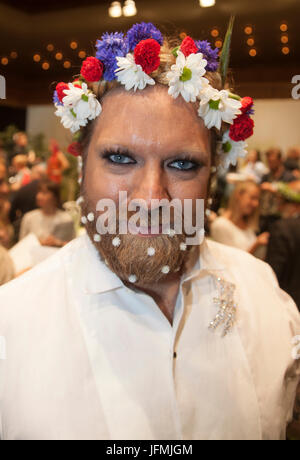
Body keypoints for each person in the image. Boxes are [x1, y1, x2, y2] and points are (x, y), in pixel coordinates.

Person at [0, 24, 299, 441]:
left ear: (213, 175)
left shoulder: (266, 297)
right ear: (82, 166)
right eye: (120, 158)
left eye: (182, 164)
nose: (151, 197)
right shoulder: (10, 326)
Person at [210, 180, 269, 256]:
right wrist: (257, 244)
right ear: (239, 195)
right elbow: (230, 261)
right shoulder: (221, 225)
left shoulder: (247, 223)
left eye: (257, 200)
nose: (256, 204)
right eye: (252, 198)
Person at [266, 181, 300, 310]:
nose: (279, 208)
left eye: (282, 203)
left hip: (288, 306)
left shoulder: (282, 228)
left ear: (294, 205)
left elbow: (273, 274)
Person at [19, 179, 76, 247]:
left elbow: (73, 245)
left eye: (44, 193)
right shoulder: (29, 217)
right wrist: (37, 242)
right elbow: (21, 244)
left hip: (58, 255)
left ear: (55, 197)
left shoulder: (66, 219)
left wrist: (58, 243)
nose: (39, 196)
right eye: (38, 192)